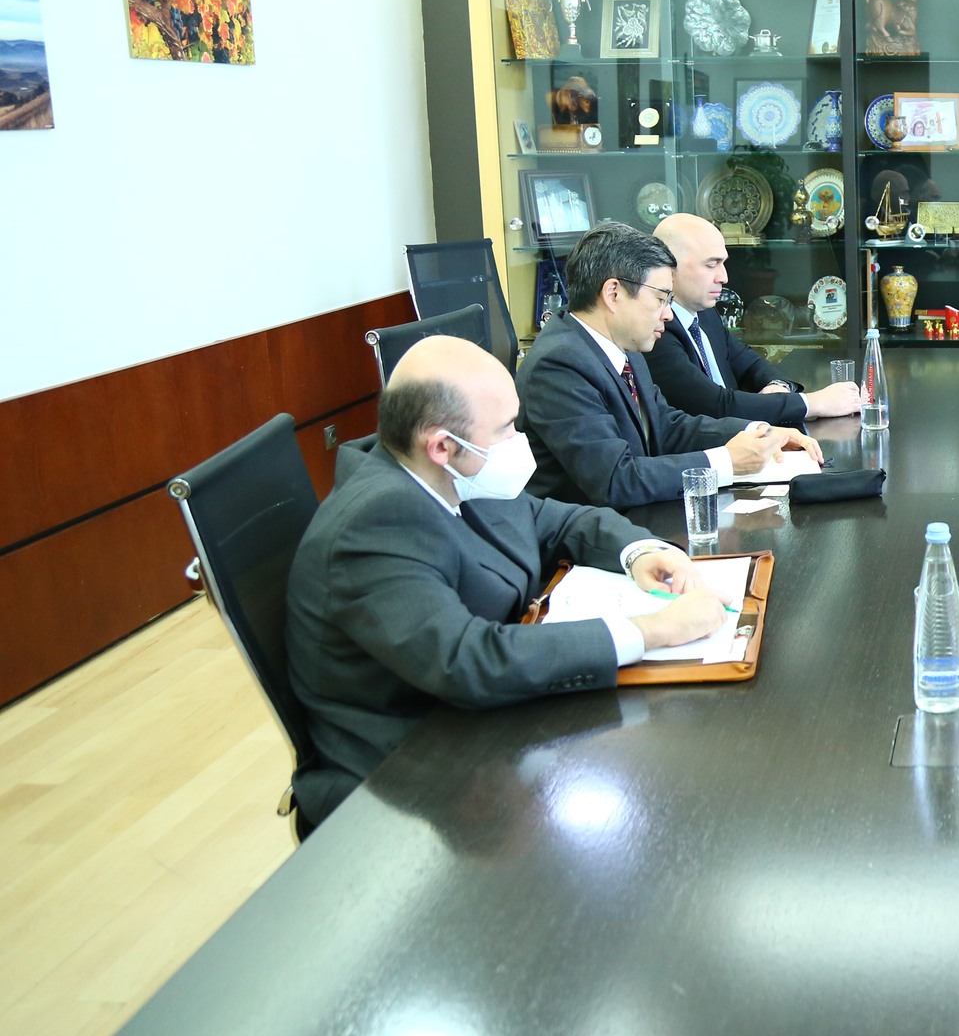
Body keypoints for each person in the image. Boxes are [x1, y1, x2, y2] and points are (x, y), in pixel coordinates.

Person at [286, 335, 733, 803]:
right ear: (441, 445)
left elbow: (555, 520)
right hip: (412, 769)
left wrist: (639, 551)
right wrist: (654, 630)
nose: (518, 442)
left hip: (486, 717)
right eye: (505, 429)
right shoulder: (377, 523)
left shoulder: (448, 470)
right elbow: (467, 660)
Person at [518, 223, 818, 510]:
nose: (669, 315)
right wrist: (726, 461)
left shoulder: (624, 342)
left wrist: (759, 432)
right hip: (586, 537)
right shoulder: (559, 365)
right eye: (661, 298)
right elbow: (615, 480)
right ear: (613, 294)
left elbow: (666, 425)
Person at [645, 214, 861, 424]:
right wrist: (813, 403)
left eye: (723, 263)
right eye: (711, 265)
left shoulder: (704, 313)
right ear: (669, 268)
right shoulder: (656, 331)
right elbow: (716, 407)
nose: (723, 277)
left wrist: (777, 386)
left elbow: (749, 362)